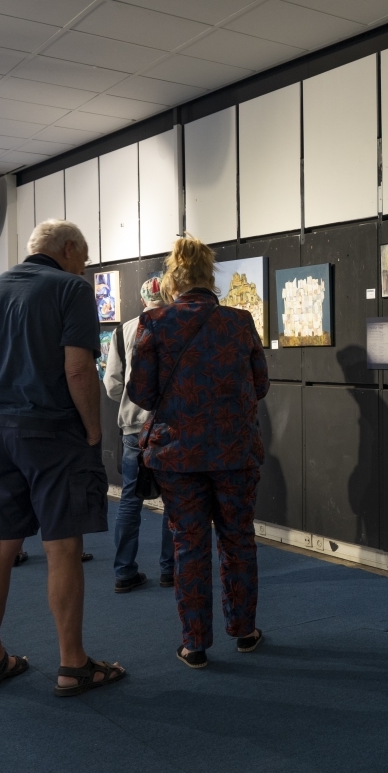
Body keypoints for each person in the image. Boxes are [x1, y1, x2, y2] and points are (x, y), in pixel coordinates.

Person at [0, 219, 124, 695]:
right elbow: (78, 369)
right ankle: (74, 665)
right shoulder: (71, 289)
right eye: (84, 258)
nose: (85, 267)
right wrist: (93, 430)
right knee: (63, 546)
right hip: (53, 432)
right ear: (69, 249)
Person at [128, 236, 268, 669]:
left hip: (179, 456)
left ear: (172, 280)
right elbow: (261, 385)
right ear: (211, 277)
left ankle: (195, 644)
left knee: (188, 545)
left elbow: (142, 394)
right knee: (238, 540)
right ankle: (244, 631)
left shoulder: (154, 323)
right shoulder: (240, 321)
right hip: (234, 452)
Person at [104, 276, 174, 593]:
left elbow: (112, 384)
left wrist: (131, 400)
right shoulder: (177, 327)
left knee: (130, 501)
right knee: (174, 501)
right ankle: (170, 570)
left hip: (134, 427)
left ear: (143, 299)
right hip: (171, 426)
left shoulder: (123, 331)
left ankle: (124, 572)